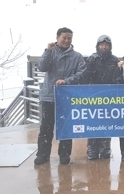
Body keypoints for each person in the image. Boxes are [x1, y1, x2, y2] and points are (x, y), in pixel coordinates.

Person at [34, 27, 86, 165]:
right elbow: (42, 67)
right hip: (49, 97)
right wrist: (48, 51)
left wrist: (66, 81)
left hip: (66, 97)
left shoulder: (77, 56)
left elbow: (81, 74)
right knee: (46, 128)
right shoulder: (50, 53)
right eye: (64, 37)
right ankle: (43, 155)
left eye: (69, 38)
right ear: (57, 38)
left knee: (66, 127)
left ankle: (64, 155)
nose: (66, 40)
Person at [82, 35, 121, 160]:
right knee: (93, 122)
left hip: (109, 96)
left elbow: (118, 79)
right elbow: (85, 76)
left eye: (106, 45)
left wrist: (119, 68)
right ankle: (92, 148)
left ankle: (105, 148)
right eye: (102, 45)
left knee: (107, 122)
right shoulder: (92, 59)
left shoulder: (115, 60)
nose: (104, 47)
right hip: (94, 96)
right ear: (98, 46)